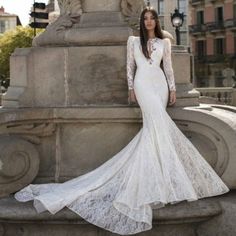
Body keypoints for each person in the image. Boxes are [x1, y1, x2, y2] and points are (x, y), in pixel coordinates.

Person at [14, 7, 229, 235]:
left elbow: (168, 68)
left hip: (160, 86)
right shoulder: (133, 42)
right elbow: (130, 67)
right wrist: (131, 89)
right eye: (145, 18)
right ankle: (162, 181)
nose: (148, 21)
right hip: (142, 85)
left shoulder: (163, 43)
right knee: (157, 126)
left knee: (157, 129)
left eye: (151, 18)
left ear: (156, 22)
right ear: (141, 21)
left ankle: (162, 180)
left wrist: (173, 89)